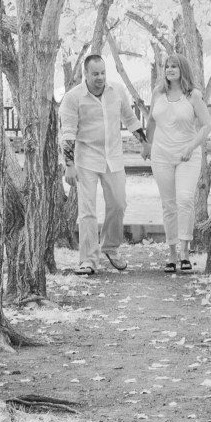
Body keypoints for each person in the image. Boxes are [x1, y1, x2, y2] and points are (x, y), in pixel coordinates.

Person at [60, 54, 151, 276]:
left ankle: (110, 248)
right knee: (87, 211)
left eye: (103, 73)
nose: (100, 78)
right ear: (85, 74)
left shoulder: (116, 90)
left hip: (113, 158)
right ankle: (88, 260)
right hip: (86, 160)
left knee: (119, 204)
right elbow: (68, 133)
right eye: (95, 74)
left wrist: (144, 143)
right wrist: (69, 165)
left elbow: (129, 118)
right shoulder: (73, 98)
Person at [146, 53, 211, 274]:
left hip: (187, 155)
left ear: (183, 69)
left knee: (185, 199)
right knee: (169, 204)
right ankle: (172, 253)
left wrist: (190, 147)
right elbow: (152, 121)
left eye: (174, 66)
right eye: (167, 66)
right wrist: (147, 144)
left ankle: (185, 251)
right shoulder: (158, 93)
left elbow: (205, 126)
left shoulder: (193, 95)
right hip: (161, 155)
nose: (170, 69)